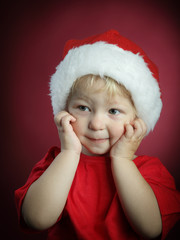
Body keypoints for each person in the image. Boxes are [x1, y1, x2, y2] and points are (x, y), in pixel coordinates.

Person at [15, 30, 180, 240]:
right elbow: (36, 219)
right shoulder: (55, 163)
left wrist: (122, 159)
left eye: (113, 111)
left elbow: (150, 229)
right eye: (83, 108)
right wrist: (69, 153)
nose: (96, 124)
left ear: (136, 121)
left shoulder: (149, 171)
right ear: (65, 111)